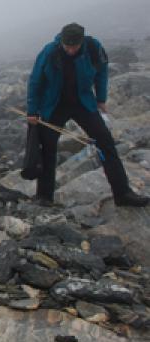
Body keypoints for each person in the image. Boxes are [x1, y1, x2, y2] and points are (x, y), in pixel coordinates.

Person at [27, 22, 149, 207]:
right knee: (48, 148)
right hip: (55, 105)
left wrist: (101, 98)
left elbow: (102, 71)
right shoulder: (50, 51)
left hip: (83, 103)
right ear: (61, 41)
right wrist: (32, 110)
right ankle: (44, 197)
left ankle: (123, 193)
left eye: (74, 47)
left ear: (81, 41)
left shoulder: (93, 47)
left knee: (105, 142)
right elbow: (36, 81)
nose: (70, 50)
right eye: (67, 46)